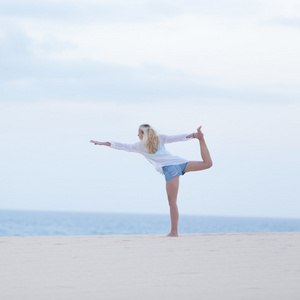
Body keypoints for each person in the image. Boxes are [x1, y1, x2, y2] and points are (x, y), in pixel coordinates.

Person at [90, 124, 212, 237]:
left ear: (143, 134)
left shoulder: (139, 146)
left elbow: (122, 146)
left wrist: (103, 143)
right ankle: (202, 140)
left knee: (172, 202)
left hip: (170, 169)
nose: (137, 135)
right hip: (180, 163)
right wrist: (195, 136)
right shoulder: (160, 138)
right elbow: (177, 138)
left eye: (139, 133)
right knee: (207, 164)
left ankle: (174, 232)